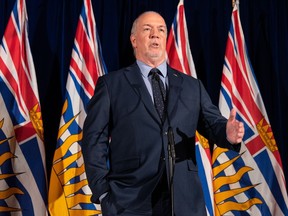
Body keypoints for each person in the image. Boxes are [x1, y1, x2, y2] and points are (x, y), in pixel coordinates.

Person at [82, 11, 244, 216]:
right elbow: (93, 139)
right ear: (134, 40)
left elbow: (213, 124)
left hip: (184, 201)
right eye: (147, 29)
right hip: (129, 202)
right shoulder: (112, 85)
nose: (155, 34)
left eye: (160, 30)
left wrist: (227, 133)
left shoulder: (192, 86)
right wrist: (103, 192)